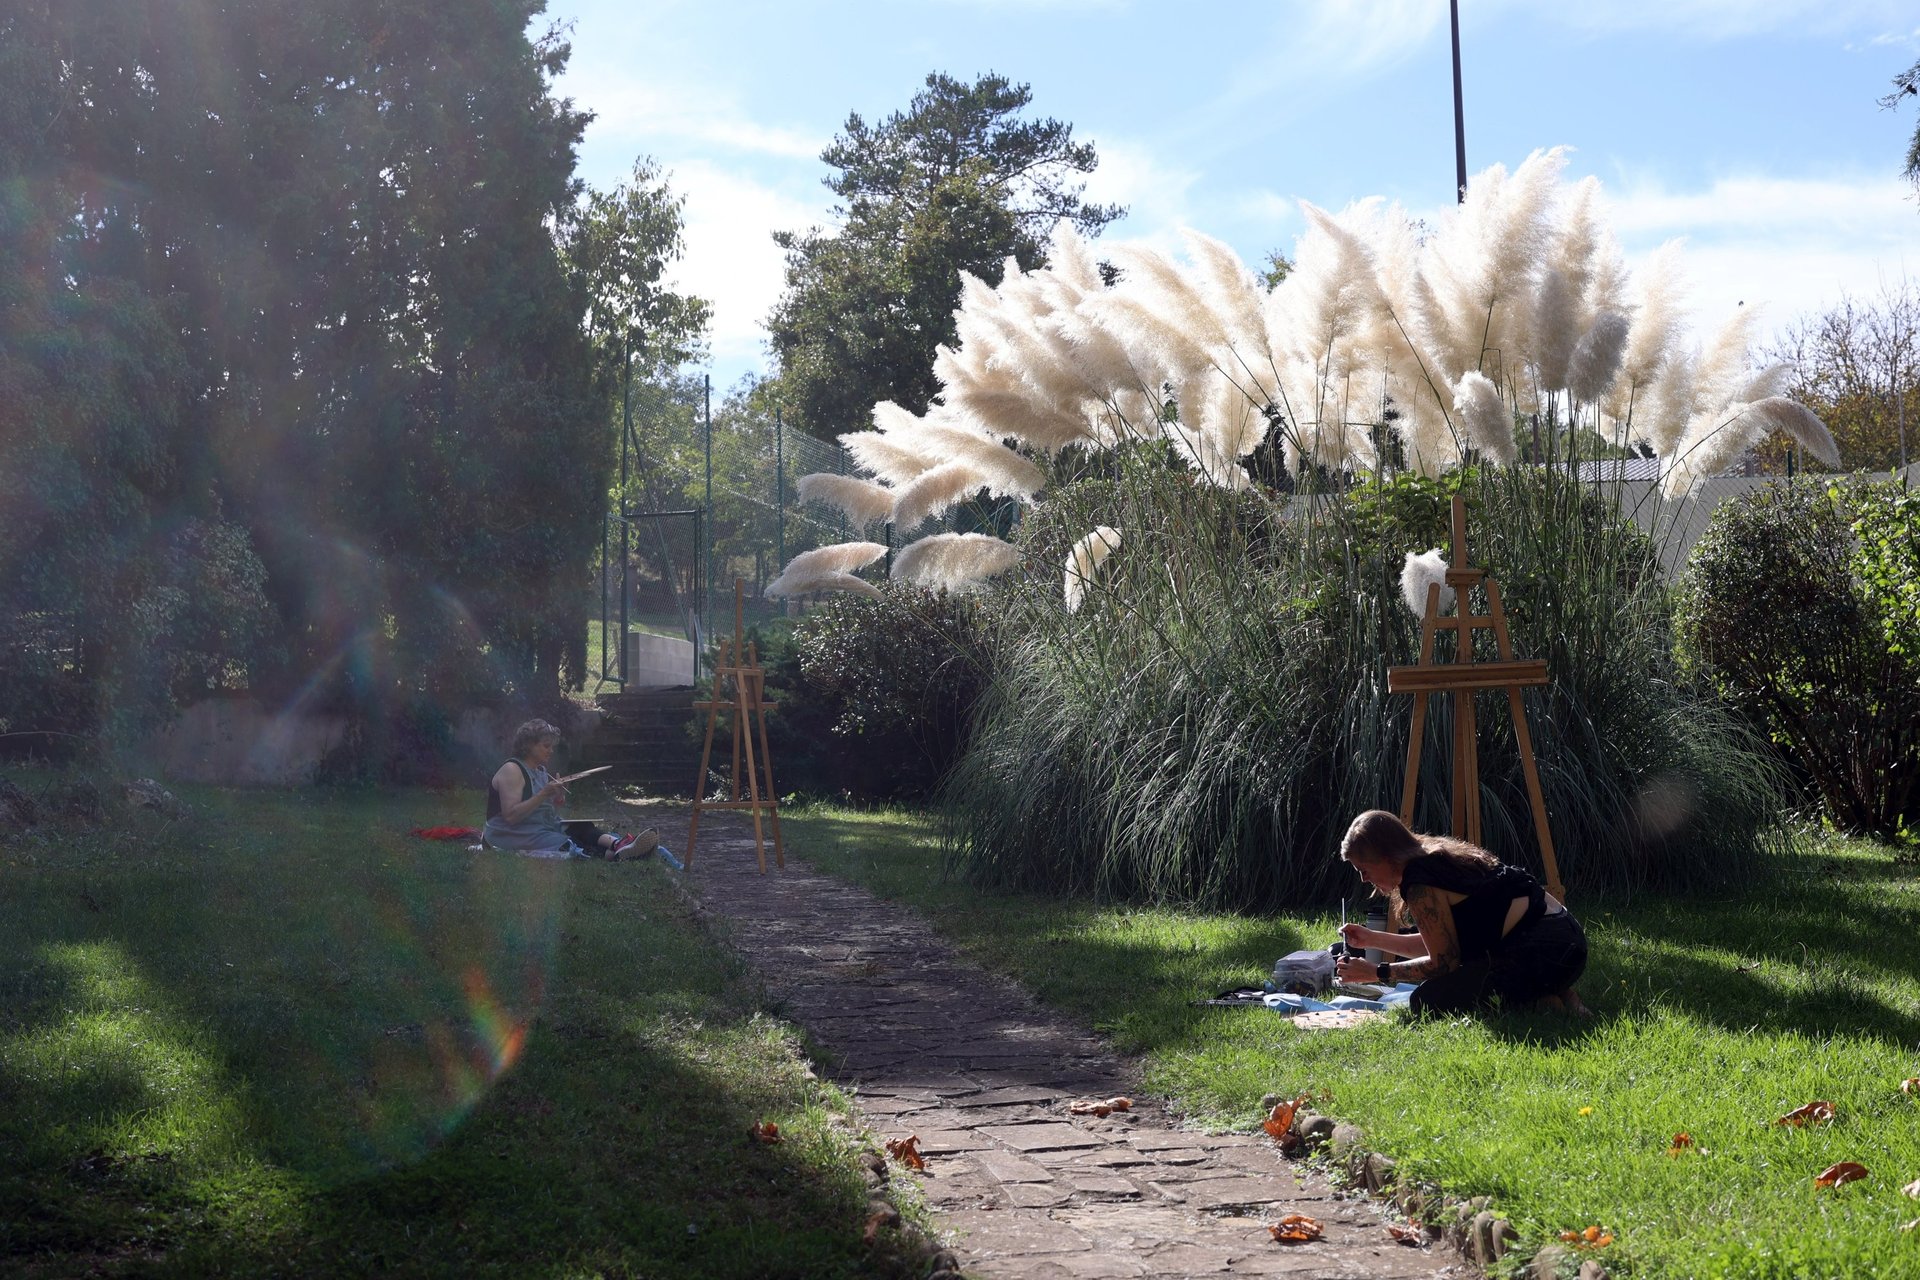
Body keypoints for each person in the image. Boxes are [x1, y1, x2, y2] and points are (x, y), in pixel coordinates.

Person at [1332, 809, 1589, 1017]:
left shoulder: (1421, 884)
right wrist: (1373, 939)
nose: (1364, 879)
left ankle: (1541, 999)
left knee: (1428, 1000)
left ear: (1386, 857)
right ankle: (1553, 993)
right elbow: (1441, 944)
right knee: (1453, 985)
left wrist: (1377, 972)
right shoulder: (1430, 856)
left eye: (1363, 869)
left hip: (1547, 949)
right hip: (1565, 942)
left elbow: (1443, 963)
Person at [481, 718, 659, 861]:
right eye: (546, 746)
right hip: (509, 834)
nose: (551, 751)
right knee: (567, 843)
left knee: (581, 827)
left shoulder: (539, 770)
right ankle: (619, 856)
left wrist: (557, 798)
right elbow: (511, 816)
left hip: (534, 827)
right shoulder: (512, 770)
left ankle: (620, 845)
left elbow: (538, 809)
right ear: (528, 745)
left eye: (552, 746)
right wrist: (544, 793)